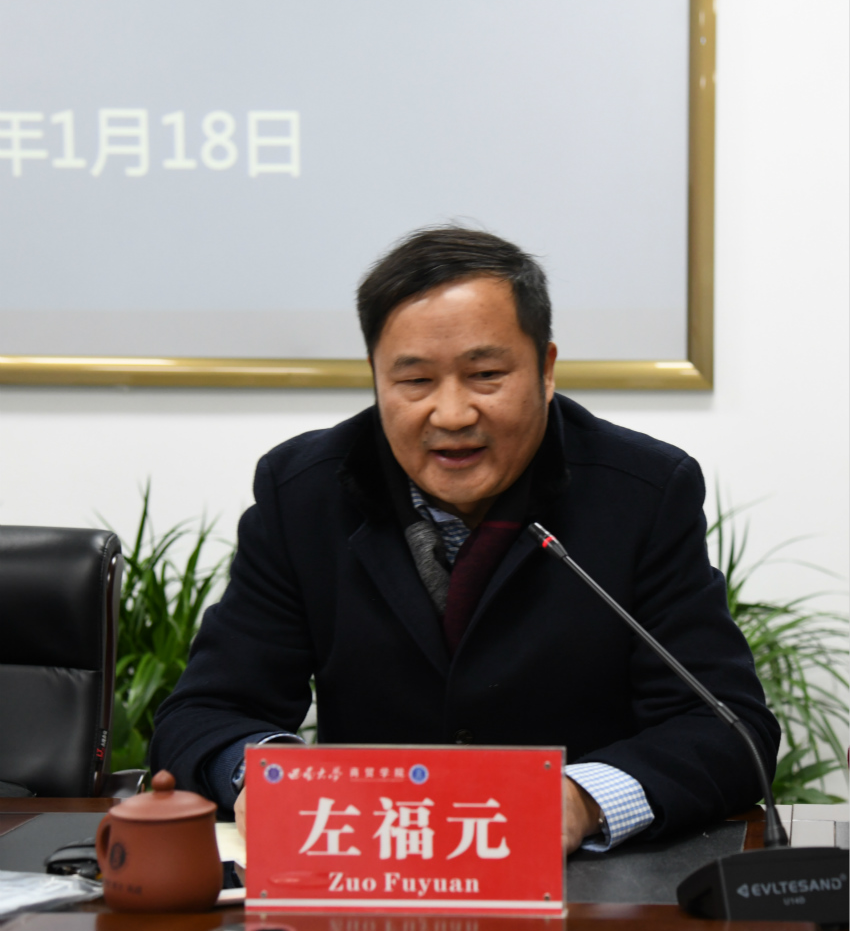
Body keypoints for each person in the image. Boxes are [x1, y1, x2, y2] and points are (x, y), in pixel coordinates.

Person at [151, 227, 780, 854]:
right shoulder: (304, 493)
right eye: (415, 381)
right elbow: (205, 713)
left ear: (546, 369)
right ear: (376, 376)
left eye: (485, 374)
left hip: (580, 880)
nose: (451, 414)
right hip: (373, 865)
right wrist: (267, 776)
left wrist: (581, 801)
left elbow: (726, 727)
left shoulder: (642, 492)